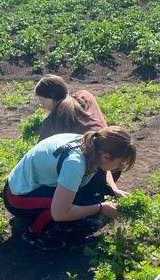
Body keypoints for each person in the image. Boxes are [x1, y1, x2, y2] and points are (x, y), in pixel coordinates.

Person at [3, 127, 136, 252]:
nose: (120, 166)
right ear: (106, 156)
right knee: (63, 207)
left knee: (90, 190)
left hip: (41, 184)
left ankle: (66, 215)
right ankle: (34, 233)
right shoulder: (75, 163)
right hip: (17, 197)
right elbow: (59, 213)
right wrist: (101, 207)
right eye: (120, 162)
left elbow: (104, 170)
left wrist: (114, 190)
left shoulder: (93, 145)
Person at [34, 74, 130, 203]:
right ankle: (101, 193)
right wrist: (114, 189)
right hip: (114, 163)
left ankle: (86, 203)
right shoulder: (86, 96)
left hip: (93, 168)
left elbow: (39, 158)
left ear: (51, 99)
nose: (42, 106)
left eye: (42, 101)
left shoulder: (53, 120)